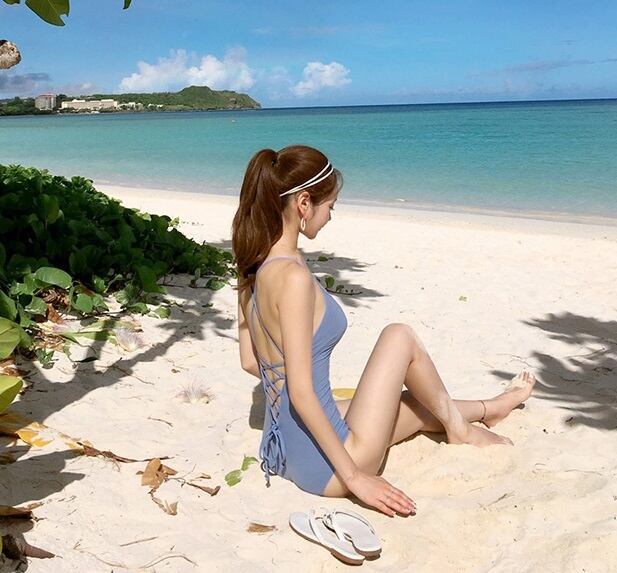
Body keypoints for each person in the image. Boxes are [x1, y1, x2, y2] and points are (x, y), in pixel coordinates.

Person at [231, 145, 536, 517]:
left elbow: (251, 362)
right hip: (327, 469)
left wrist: (314, 394)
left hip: (281, 447)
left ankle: (493, 407)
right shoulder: (293, 278)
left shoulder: (252, 266)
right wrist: (356, 478)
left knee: (415, 403)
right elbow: (302, 391)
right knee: (399, 336)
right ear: (304, 203)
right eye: (331, 206)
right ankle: (464, 430)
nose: (330, 217)